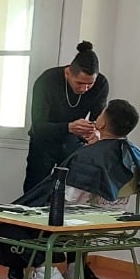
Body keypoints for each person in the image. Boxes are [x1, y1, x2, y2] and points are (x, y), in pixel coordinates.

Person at [0, 99, 140, 279]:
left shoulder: (89, 156)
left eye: (101, 113)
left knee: (2, 225)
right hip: (113, 220)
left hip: (80, 222)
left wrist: (32, 208)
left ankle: (45, 271)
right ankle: (74, 270)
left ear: (101, 124)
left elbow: (67, 198)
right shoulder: (136, 153)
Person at [25, 41, 110, 193]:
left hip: (73, 140)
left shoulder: (101, 84)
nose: (85, 89)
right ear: (68, 73)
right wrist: (69, 127)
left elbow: (98, 119)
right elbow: (38, 126)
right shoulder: (47, 81)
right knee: (35, 190)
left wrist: (95, 132)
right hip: (44, 139)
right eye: (80, 83)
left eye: (90, 84)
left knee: (74, 190)